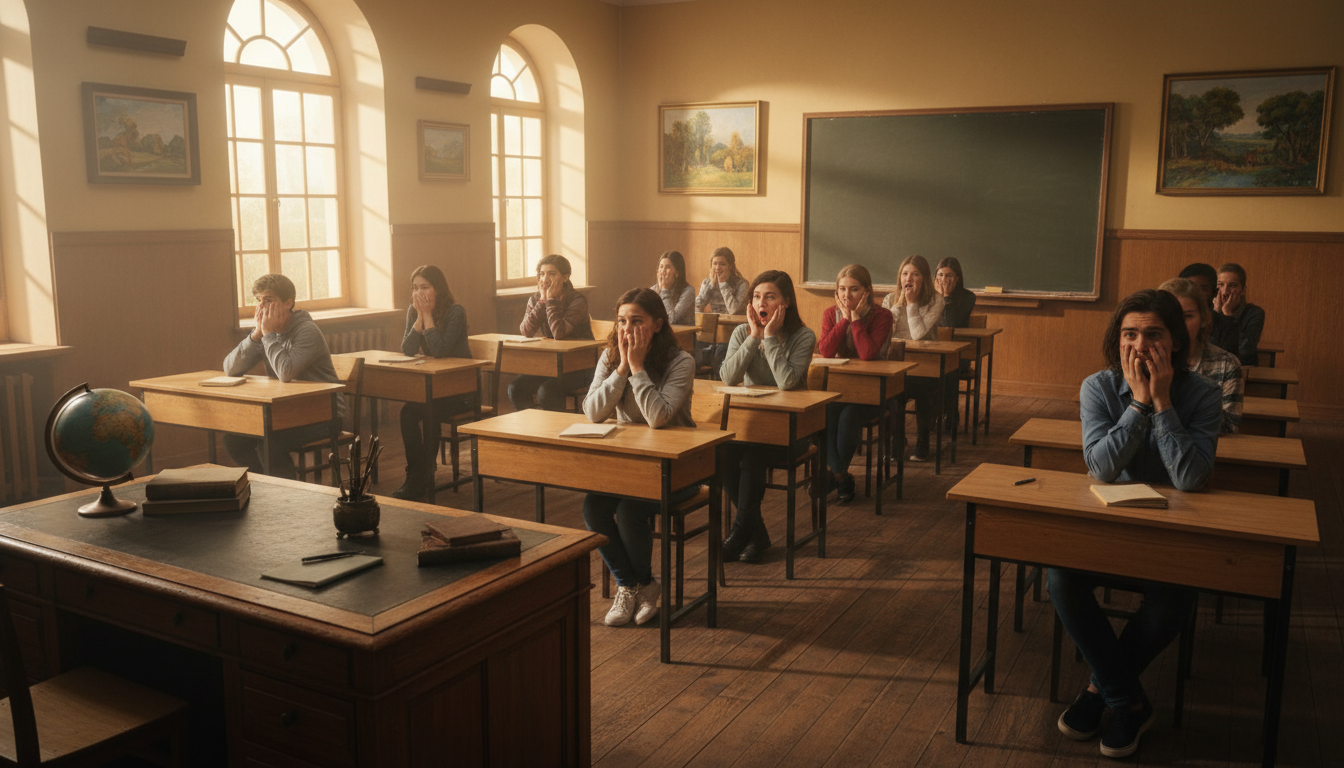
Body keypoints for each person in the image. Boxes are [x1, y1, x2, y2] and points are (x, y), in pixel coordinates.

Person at [1052, 288, 1221, 759]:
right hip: (1110, 532)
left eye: (1153, 334)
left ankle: (1098, 692)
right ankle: (1129, 700)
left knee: (1174, 600)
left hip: (1173, 540)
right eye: (1129, 334)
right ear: (1116, 339)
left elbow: (1189, 479)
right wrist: (1138, 405)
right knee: (1060, 578)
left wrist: (1162, 401)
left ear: (1176, 343)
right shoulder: (1098, 388)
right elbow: (1100, 468)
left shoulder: (1203, 395)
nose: (1139, 346)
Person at [582, 288, 697, 627]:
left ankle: (638, 585)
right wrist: (620, 369)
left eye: (636, 321)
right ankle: (636, 585)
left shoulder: (681, 361)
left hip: (679, 467)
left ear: (658, 324)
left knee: (630, 510)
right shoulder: (609, 357)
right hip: (630, 464)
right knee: (593, 507)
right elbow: (592, 411)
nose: (626, 330)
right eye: (621, 321)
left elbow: (658, 418)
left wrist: (636, 367)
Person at [719, 270, 816, 563]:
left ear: (785, 302)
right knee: (722, 454)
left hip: (790, 430)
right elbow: (727, 377)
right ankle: (757, 534)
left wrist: (770, 338)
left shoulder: (803, 336)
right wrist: (753, 337)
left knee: (752, 457)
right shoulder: (741, 332)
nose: (762, 302)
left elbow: (787, 382)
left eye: (770, 297)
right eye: (757, 296)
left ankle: (739, 533)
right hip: (750, 426)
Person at [223, 274, 346, 480]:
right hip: (288, 411)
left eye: (268, 300)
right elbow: (230, 368)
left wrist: (268, 334)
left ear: (288, 303)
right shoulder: (265, 332)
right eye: (258, 301)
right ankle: (267, 484)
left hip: (325, 413)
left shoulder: (307, 331)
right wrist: (256, 335)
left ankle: (286, 496)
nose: (261, 306)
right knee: (233, 439)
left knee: (271, 442)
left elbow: (285, 372)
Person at [391, 265, 472, 500]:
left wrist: (427, 316)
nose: (419, 293)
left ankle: (422, 478)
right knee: (408, 413)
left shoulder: (456, 311)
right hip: (434, 390)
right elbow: (407, 349)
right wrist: (418, 317)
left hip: (461, 390)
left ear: (438, 289)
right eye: (415, 288)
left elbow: (439, 351)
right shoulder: (412, 310)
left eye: (425, 287)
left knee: (430, 411)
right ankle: (417, 474)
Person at [818, 264, 893, 503]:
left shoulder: (883, 316)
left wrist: (856, 320)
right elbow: (825, 351)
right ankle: (842, 476)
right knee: (824, 414)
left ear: (867, 292)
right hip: (840, 389)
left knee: (849, 416)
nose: (846, 295)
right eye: (842, 289)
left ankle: (835, 475)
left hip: (873, 392)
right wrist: (843, 321)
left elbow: (868, 354)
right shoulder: (831, 314)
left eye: (854, 289)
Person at [882, 255, 949, 462]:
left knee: (922, 391)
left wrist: (911, 305)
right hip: (896, 364)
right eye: (904, 273)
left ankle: (922, 441)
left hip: (924, 366)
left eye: (915, 274)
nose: (908, 278)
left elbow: (918, 335)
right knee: (888, 392)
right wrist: (898, 305)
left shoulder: (935, 300)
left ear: (925, 278)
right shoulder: (889, 299)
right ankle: (897, 439)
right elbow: (885, 333)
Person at [508, 254, 594, 412]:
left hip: (580, 367)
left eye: (552, 274)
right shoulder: (536, 299)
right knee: (515, 388)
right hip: (551, 365)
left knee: (547, 391)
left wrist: (551, 300)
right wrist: (542, 301)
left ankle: (555, 433)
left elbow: (559, 333)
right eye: (542, 274)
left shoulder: (577, 300)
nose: (545, 279)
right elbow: (526, 331)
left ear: (565, 277)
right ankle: (533, 430)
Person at [1160, 277, 1242, 434]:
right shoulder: (1145, 359)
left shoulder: (1227, 364)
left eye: (1187, 316)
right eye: (1171, 318)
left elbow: (1229, 425)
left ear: (1203, 319)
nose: (1179, 325)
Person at [694, 246, 750, 375]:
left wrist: (723, 283)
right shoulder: (707, 282)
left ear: (731, 265)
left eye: (722, 264)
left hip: (733, 334)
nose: (718, 268)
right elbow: (698, 304)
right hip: (713, 333)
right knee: (693, 354)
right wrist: (710, 285)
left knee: (720, 356)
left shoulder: (742, 284)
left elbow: (733, 310)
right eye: (715, 264)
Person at [1178, 263, 1240, 356]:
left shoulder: (1227, 326)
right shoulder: (1171, 321)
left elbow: (1226, 360)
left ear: (1214, 293)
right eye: (1190, 288)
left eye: (1203, 289)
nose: (1196, 293)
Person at [1214, 262, 1265, 367]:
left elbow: (1245, 349)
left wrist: (1228, 315)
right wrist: (1216, 313)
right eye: (1221, 285)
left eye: (1232, 286)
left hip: (1242, 367)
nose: (1225, 292)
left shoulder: (1254, 313)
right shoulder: (1209, 309)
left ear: (1243, 290)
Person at [653, 250, 696, 326]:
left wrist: (664, 290)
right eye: (661, 267)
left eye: (668, 267)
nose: (663, 271)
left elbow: (671, 320)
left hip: (684, 335)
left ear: (677, 273)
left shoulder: (689, 291)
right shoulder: (653, 289)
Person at [935, 256, 977, 329]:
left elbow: (949, 326)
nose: (943, 279)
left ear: (957, 278)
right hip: (932, 339)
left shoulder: (968, 297)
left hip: (957, 338)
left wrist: (945, 296)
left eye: (949, 276)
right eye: (940, 275)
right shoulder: (929, 296)